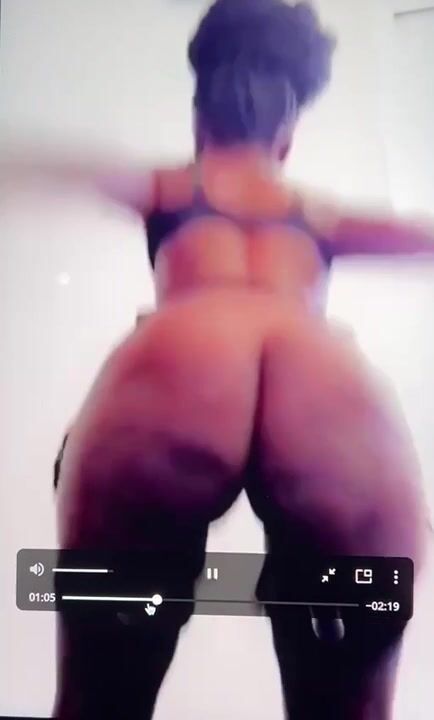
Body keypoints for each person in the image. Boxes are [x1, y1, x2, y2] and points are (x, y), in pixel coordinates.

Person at [2, 1, 433, 717]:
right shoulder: (319, 214)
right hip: (330, 383)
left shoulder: (173, 187)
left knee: (99, 699)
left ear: (201, 116)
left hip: (179, 357)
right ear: (288, 135)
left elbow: (60, 170)